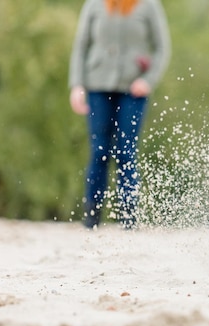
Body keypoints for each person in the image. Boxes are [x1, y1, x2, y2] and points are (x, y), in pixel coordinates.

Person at [68, 0, 171, 229]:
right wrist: (77, 85)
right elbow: (81, 46)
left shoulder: (149, 5)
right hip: (97, 86)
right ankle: (91, 218)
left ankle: (128, 219)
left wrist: (148, 80)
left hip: (133, 90)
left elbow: (163, 48)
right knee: (99, 152)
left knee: (126, 152)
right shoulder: (94, 4)